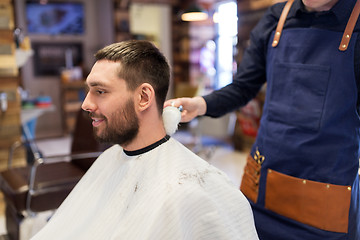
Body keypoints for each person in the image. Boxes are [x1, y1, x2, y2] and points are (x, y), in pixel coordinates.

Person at [165, 0, 360, 239]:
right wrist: (202, 104)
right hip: (264, 183)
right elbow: (244, 86)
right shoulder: (277, 17)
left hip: (327, 194)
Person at [31, 40, 259, 240]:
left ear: (143, 97)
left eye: (100, 91)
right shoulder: (111, 158)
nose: (86, 104)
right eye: (88, 91)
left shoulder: (194, 191)